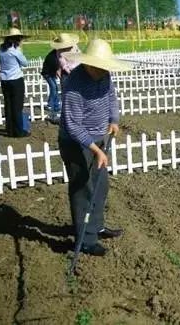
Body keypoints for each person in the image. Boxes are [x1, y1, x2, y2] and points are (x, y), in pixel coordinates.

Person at [59, 39, 132, 256]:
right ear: (88, 64)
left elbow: (111, 96)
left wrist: (114, 119)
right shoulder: (74, 84)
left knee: (100, 186)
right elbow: (72, 125)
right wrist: (96, 149)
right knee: (83, 189)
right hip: (76, 143)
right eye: (98, 67)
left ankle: (96, 226)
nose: (102, 71)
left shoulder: (104, 75)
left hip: (99, 138)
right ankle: (86, 240)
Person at [0, 28, 29, 137]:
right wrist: (20, 50)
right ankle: (19, 131)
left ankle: (10, 129)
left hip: (4, 79)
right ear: (16, 40)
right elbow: (25, 63)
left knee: (8, 105)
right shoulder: (15, 51)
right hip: (16, 80)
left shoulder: (0, 49)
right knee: (17, 106)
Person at [41, 33, 79, 122]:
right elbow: (63, 66)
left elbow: (79, 58)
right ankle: (64, 117)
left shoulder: (75, 47)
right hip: (64, 74)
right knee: (65, 95)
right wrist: (70, 72)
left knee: (77, 95)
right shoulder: (58, 52)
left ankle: (76, 117)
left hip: (76, 72)